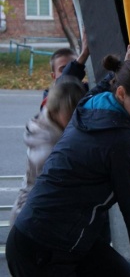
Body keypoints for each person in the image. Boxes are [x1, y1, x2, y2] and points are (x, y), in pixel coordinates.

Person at [6, 53, 130, 277]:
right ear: (122, 94)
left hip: (64, 239)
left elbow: (105, 87)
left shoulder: (91, 105)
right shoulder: (123, 140)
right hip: (40, 248)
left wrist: (122, 68)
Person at [9, 78, 87, 226]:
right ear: (55, 110)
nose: (75, 119)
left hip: (32, 215)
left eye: (79, 112)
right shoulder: (49, 151)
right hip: (31, 222)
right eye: (70, 114)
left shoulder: (48, 122)